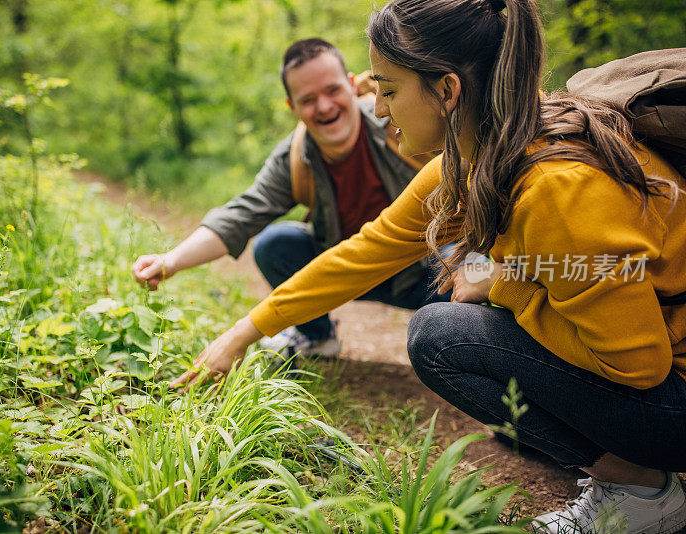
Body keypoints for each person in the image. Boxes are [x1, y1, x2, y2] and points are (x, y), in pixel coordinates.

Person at [170, 0, 686, 532]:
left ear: (446, 90)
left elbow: (639, 368)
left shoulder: (557, 188)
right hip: (652, 373)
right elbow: (363, 254)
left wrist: (502, 286)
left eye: (388, 90)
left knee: (444, 337)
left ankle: (642, 494)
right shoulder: (476, 156)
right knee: (461, 337)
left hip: (672, 395)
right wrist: (243, 334)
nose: (381, 110)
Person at [133, 38, 450, 359]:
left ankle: (466, 347)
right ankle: (316, 337)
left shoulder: (402, 123)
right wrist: (169, 261)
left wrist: (490, 270)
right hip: (346, 273)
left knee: (470, 262)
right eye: (308, 99)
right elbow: (240, 215)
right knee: (275, 243)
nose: (324, 106)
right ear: (292, 107)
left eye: (332, 91)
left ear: (352, 85)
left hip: (426, 271)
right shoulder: (295, 157)